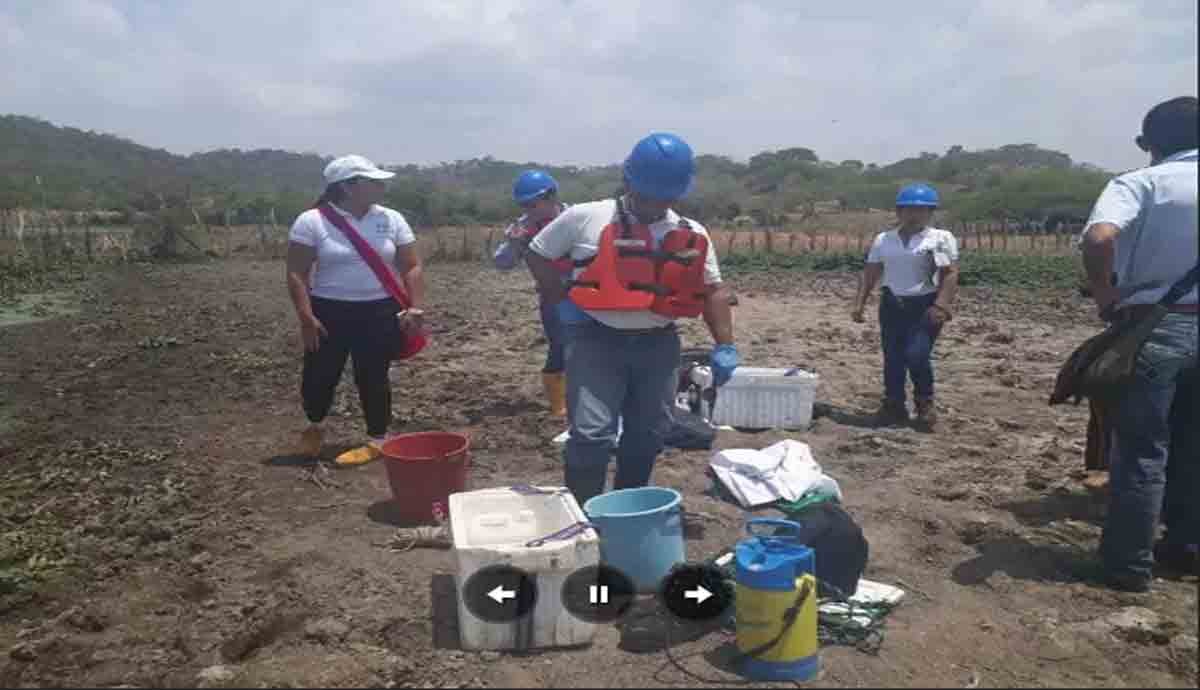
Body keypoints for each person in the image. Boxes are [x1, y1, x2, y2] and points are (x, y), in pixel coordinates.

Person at [524, 132, 738, 505]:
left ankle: (627, 506)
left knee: (648, 434)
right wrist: (558, 295)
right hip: (595, 339)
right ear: (628, 181)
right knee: (592, 434)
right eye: (648, 194)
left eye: (666, 196)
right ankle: (582, 513)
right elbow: (538, 252)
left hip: (658, 344)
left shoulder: (691, 234)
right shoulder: (585, 217)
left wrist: (726, 345)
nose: (656, 203)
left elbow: (713, 290)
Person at [1079, 95, 1198, 592]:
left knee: (1142, 451)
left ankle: (1127, 566)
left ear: (1149, 143)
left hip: (1156, 325)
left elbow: (1100, 237)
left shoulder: (1142, 183)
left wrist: (1106, 296)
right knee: (1194, 445)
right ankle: (1186, 548)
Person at [285, 154, 426, 466]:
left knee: (374, 376)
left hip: (379, 311)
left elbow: (411, 266)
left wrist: (415, 307)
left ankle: (377, 440)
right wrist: (306, 317)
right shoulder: (312, 221)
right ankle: (315, 425)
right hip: (328, 312)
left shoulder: (391, 219)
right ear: (348, 187)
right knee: (319, 376)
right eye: (373, 181)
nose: (381, 186)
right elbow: (296, 271)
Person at [851, 183, 960, 431]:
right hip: (892, 305)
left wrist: (941, 305)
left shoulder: (939, 239)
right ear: (899, 212)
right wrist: (859, 303)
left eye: (921, 210)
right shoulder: (884, 240)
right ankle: (893, 405)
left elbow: (949, 274)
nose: (914, 214)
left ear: (930, 213)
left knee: (917, 355)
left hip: (925, 306)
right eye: (909, 209)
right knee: (893, 358)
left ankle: (924, 403)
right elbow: (870, 273)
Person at [492, 170, 571, 416]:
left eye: (532, 204)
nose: (528, 210)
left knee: (595, 346)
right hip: (552, 296)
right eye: (524, 205)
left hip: (590, 292)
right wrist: (515, 243)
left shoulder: (576, 217)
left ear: (551, 196)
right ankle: (559, 407)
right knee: (559, 346)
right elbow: (502, 263)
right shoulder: (522, 227)